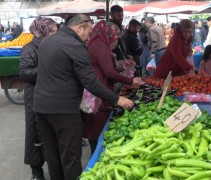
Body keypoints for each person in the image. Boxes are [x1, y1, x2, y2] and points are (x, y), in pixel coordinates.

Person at [33, 14, 133, 180]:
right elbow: (90, 82)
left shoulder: (47, 41)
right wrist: (117, 99)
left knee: (53, 155)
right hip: (64, 110)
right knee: (71, 157)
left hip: (41, 107)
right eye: (89, 31)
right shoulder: (75, 45)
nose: (89, 36)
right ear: (80, 27)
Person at [83, 20, 144, 154]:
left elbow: (104, 64)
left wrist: (121, 63)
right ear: (108, 34)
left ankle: (94, 149)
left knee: (93, 125)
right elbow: (109, 72)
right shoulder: (101, 46)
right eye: (115, 38)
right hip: (98, 92)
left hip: (94, 89)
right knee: (97, 126)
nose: (116, 42)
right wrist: (130, 80)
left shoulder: (95, 42)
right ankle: (96, 154)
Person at [20, 16, 57, 180]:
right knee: (34, 132)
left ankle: (54, 164)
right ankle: (36, 171)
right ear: (42, 31)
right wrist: (47, 69)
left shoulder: (52, 46)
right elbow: (25, 73)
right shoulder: (28, 49)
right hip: (34, 95)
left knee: (49, 131)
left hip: (51, 94)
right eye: (52, 31)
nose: (55, 34)